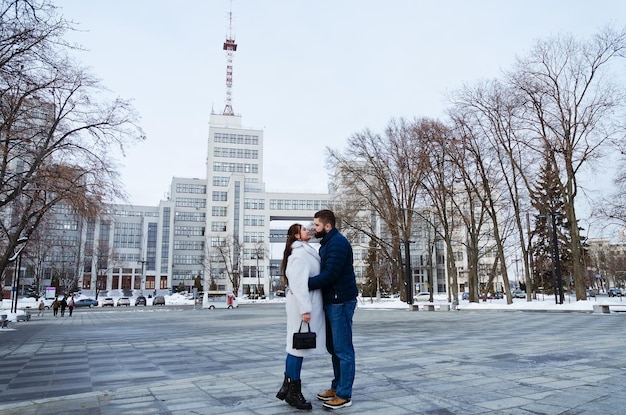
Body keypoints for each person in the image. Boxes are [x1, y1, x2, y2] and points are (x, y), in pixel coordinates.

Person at [307, 209, 358, 410]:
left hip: (341, 302)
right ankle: (337, 387)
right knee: (334, 348)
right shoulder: (328, 244)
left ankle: (344, 394)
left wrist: (304, 283)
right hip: (332, 301)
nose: (314, 228)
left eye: (317, 225)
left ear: (328, 226)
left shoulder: (337, 243)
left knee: (343, 350)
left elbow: (330, 275)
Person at [276, 223, 326, 410]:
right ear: (297, 236)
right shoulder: (298, 255)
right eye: (304, 229)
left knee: (294, 347)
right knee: (297, 347)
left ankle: (288, 387)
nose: (309, 230)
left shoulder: (304, 251)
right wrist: (305, 309)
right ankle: (294, 392)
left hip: (302, 304)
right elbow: (297, 284)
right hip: (301, 306)